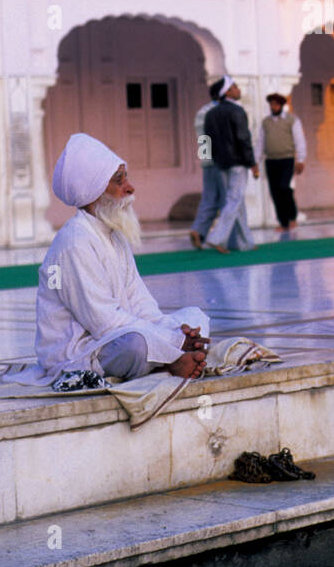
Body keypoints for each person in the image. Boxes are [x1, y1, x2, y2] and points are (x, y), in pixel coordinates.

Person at [22, 133, 210, 386]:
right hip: (80, 351)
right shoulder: (74, 242)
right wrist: (173, 340)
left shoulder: (113, 236)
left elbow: (140, 302)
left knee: (197, 317)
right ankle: (174, 361)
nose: (130, 187)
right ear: (93, 189)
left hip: (116, 334)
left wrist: (180, 333)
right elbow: (104, 321)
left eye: (126, 178)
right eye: (119, 180)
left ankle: (173, 356)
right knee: (136, 346)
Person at [203, 77, 258, 252]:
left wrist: (213, 160)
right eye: (234, 87)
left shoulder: (211, 113)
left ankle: (245, 243)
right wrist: (252, 163)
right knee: (234, 200)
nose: (238, 89)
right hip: (238, 163)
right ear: (227, 92)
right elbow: (243, 139)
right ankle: (216, 237)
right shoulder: (237, 111)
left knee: (236, 201)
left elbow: (206, 140)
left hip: (221, 164)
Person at [255, 92, 306, 232]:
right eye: (271, 104)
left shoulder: (292, 120)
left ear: (281, 105)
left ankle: (292, 215)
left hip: (287, 159)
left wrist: (300, 159)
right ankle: (283, 223)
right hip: (271, 161)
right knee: (275, 191)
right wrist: (255, 161)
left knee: (284, 187)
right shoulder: (266, 122)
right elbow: (260, 142)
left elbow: (299, 140)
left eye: (276, 104)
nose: (273, 106)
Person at [189, 82, 226, 250]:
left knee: (210, 197)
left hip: (206, 158)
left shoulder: (202, 111)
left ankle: (199, 230)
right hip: (220, 159)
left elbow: (202, 138)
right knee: (228, 199)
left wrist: (206, 157)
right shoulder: (218, 111)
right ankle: (222, 238)